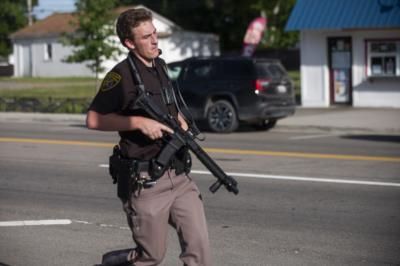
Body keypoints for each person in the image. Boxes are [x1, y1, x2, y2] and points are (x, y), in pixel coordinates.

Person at [86, 8, 211, 266]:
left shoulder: (161, 66)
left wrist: (182, 122)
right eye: (146, 37)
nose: (155, 41)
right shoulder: (120, 76)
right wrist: (139, 122)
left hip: (178, 175)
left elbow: (170, 108)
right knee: (151, 256)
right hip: (147, 183)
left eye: (155, 33)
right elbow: (94, 119)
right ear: (129, 43)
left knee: (199, 250)